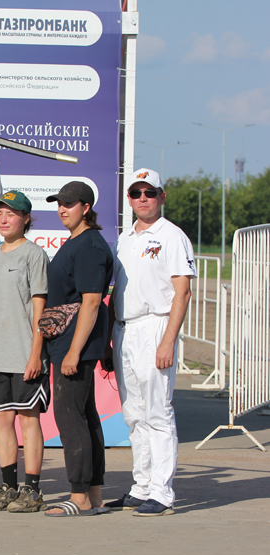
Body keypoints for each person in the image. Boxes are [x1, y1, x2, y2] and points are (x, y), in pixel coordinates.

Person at [103, 168, 195, 517]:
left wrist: (168, 341)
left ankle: (162, 491)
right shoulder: (125, 238)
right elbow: (117, 292)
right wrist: (110, 338)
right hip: (124, 328)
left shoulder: (172, 236)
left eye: (149, 192)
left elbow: (182, 293)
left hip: (156, 326)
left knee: (157, 412)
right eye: (136, 193)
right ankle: (141, 486)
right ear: (128, 198)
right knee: (133, 415)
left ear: (161, 196)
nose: (143, 199)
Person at [0, 191, 50, 513]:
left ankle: (32, 490)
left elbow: (40, 309)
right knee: (2, 421)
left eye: (11, 213)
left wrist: (35, 354)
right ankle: (8, 487)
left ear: (26, 218)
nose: (3, 219)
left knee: (29, 421)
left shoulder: (34, 254)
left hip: (24, 355)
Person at [41, 181, 113, 517]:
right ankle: (94, 496)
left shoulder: (90, 246)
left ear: (86, 207)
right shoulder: (77, 242)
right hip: (70, 342)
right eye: (59, 203)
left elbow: (92, 301)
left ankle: (80, 496)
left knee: (70, 417)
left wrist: (74, 351)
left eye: (69, 204)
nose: (62, 209)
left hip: (75, 346)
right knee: (85, 416)